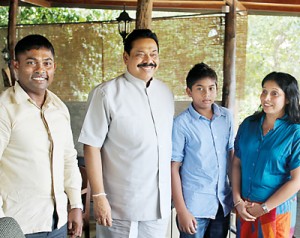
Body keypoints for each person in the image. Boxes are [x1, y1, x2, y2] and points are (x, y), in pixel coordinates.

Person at [78, 29, 174, 238]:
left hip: (159, 207)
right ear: (126, 57)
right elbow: (91, 146)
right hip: (120, 206)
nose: (148, 60)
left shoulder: (165, 93)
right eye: (141, 54)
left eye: (154, 53)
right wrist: (99, 196)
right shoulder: (106, 93)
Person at [0, 34, 83, 238]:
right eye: (31, 63)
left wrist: (75, 205)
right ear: (16, 66)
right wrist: (3, 225)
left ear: (54, 67)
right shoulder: (5, 108)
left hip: (58, 224)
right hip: (19, 226)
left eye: (47, 63)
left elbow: (68, 159)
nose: (40, 70)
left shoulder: (59, 108)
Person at [232, 71, 300, 238]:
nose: (266, 98)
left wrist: (263, 208)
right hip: (245, 209)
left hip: (276, 213)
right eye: (264, 91)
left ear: (289, 98)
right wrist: (237, 201)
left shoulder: (295, 132)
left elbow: (297, 180)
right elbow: (236, 163)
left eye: (274, 93)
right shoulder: (248, 124)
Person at [171, 62, 234, 238]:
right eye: (200, 88)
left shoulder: (226, 117)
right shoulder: (181, 124)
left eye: (211, 88)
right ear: (189, 91)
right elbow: (173, 168)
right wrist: (181, 211)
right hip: (193, 207)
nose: (207, 94)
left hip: (222, 204)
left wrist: (236, 197)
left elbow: (231, 156)